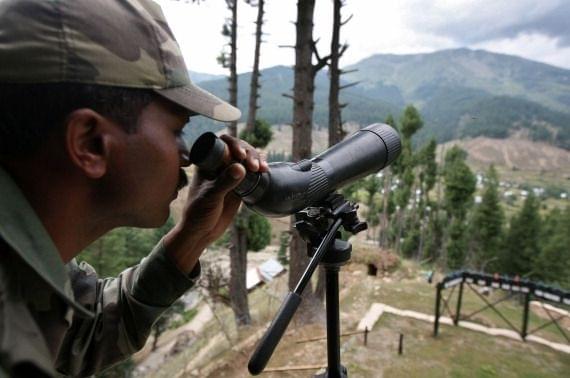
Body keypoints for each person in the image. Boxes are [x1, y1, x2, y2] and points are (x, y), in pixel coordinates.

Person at [0, 0, 268, 376]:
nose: (187, 156)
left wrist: (191, 237)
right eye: (176, 131)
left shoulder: (23, 269)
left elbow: (83, 332)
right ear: (91, 144)